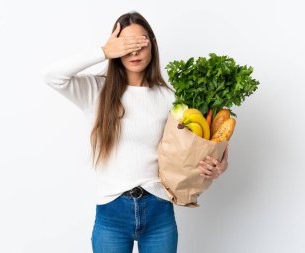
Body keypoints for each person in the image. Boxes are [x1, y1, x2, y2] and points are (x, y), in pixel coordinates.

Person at [42, 11, 229, 253]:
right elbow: (51, 76)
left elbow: (193, 146)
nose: (133, 52)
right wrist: (103, 52)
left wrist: (219, 164)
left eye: (140, 43)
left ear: (152, 44)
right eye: (125, 45)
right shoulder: (95, 92)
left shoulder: (170, 98)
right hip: (112, 212)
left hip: (159, 209)